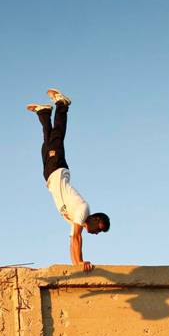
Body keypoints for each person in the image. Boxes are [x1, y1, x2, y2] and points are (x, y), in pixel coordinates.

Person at [26, 89, 110, 271]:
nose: (96, 232)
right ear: (95, 219)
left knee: (47, 142)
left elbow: (73, 240)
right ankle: (62, 105)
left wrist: (76, 266)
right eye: (99, 228)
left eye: (99, 231)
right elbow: (77, 238)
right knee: (57, 137)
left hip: (50, 175)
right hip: (57, 168)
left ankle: (44, 112)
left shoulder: (75, 220)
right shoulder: (82, 210)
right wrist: (81, 261)